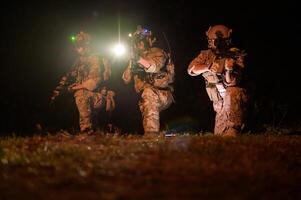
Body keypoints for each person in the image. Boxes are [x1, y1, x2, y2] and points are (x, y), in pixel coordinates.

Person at [187, 25, 248, 136]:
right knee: (219, 135)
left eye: (214, 40)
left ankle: (233, 128)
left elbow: (233, 83)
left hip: (234, 99)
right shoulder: (206, 55)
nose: (211, 43)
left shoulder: (234, 54)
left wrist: (228, 70)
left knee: (232, 92)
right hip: (218, 100)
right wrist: (207, 66)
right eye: (210, 40)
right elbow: (191, 69)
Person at [50, 31, 115, 133]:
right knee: (61, 98)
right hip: (88, 97)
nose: (79, 49)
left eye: (82, 46)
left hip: (100, 97)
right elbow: (65, 80)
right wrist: (56, 95)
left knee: (81, 94)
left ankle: (86, 129)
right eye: (78, 46)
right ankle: (64, 129)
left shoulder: (95, 59)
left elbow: (94, 82)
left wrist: (74, 88)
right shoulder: (77, 63)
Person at [122, 25, 175, 137]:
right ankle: (158, 133)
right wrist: (132, 62)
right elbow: (126, 79)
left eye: (142, 41)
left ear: (149, 40)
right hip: (146, 96)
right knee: (146, 106)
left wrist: (138, 59)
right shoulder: (136, 57)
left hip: (162, 93)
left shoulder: (158, 52)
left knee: (148, 94)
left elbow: (154, 67)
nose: (139, 44)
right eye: (137, 42)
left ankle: (152, 134)